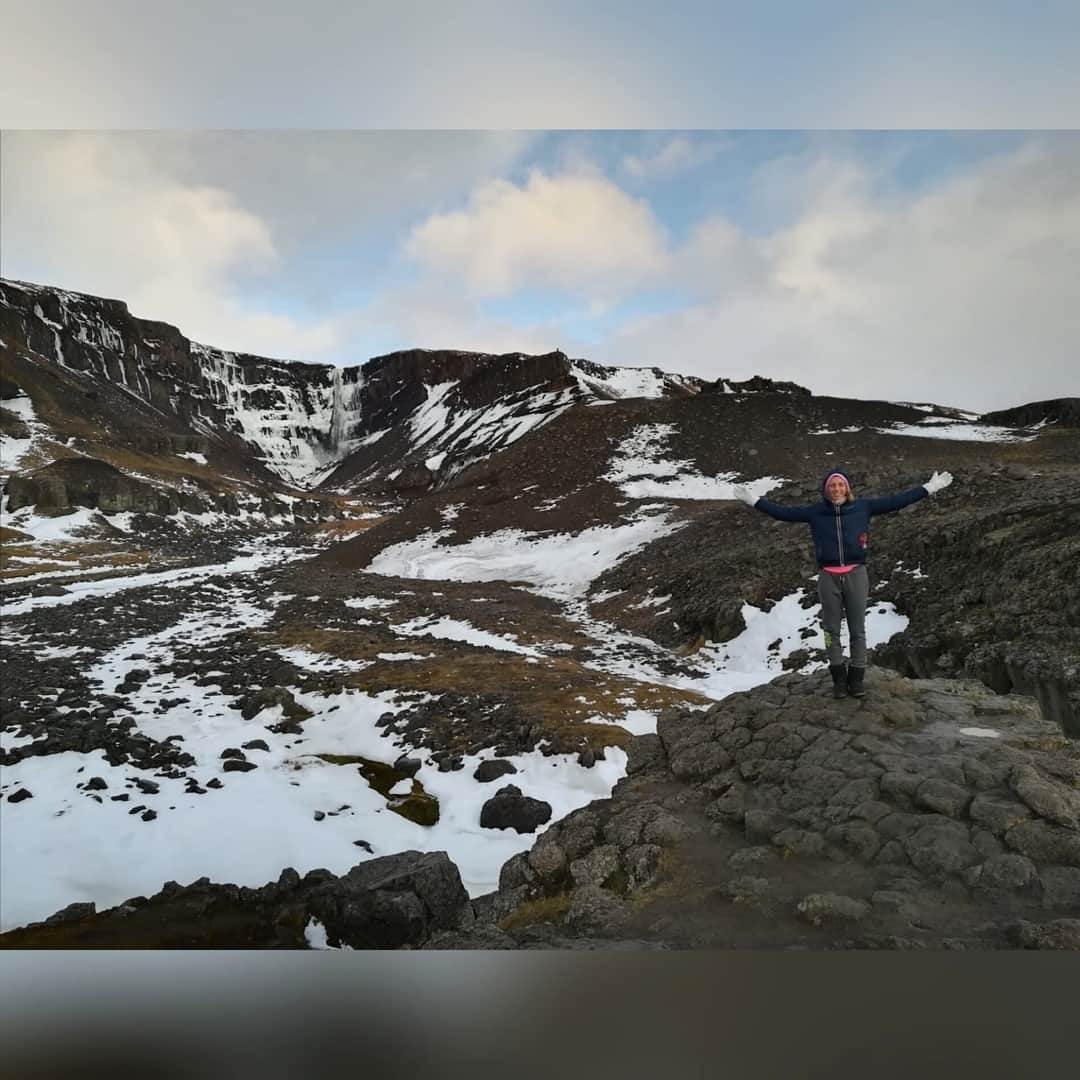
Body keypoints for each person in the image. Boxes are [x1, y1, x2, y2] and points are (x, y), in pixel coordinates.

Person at [732, 468, 953, 699]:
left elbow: (897, 501)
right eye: (832, 486)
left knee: (858, 630)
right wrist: (754, 500)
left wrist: (929, 488)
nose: (836, 489)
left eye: (840, 485)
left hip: (856, 574)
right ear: (826, 491)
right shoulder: (816, 512)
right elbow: (783, 513)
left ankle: (856, 680)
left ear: (847, 488)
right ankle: (839, 680)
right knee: (831, 631)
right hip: (828, 577)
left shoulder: (863, 507)